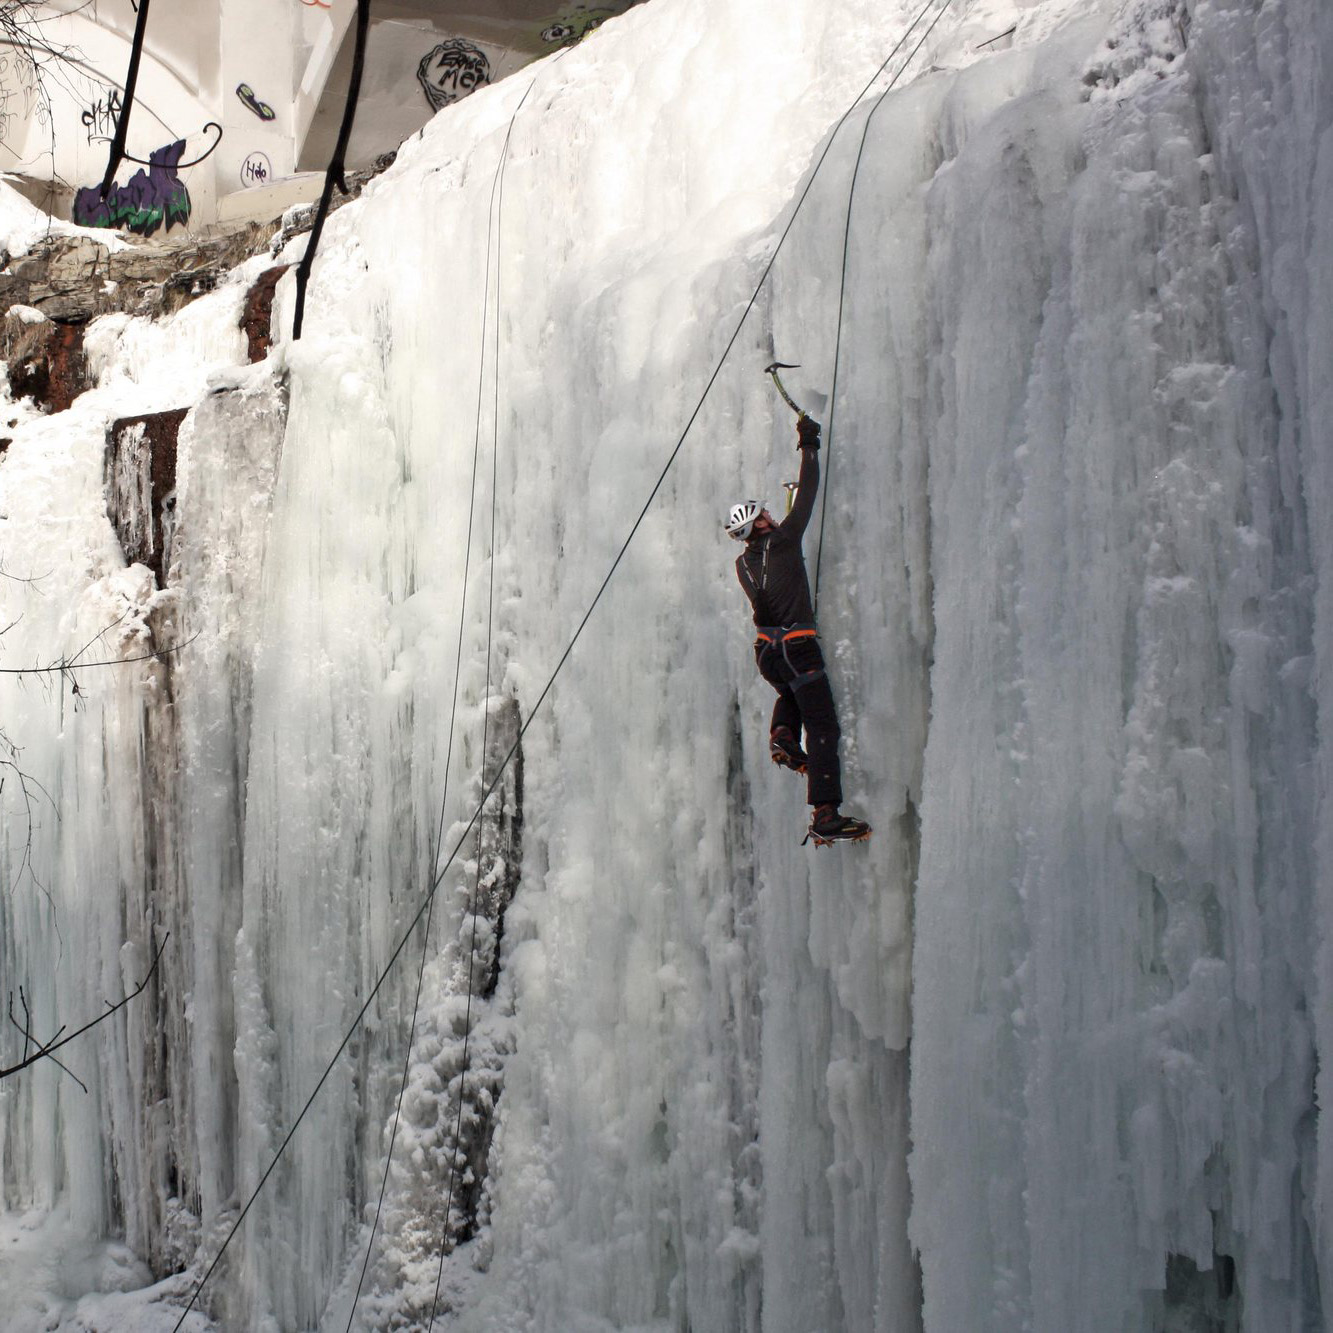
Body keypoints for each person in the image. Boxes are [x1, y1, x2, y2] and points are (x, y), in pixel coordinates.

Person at [726, 414, 870, 845]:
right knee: (824, 726)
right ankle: (825, 812)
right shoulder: (784, 541)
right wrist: (808, 444)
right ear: (761, 525)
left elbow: (777, 576)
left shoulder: (742, 563)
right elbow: (806, 496)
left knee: (789, 692)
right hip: (798, 646)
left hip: (769, 652)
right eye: (764, 514)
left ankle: (783, 736)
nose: (771, 514)